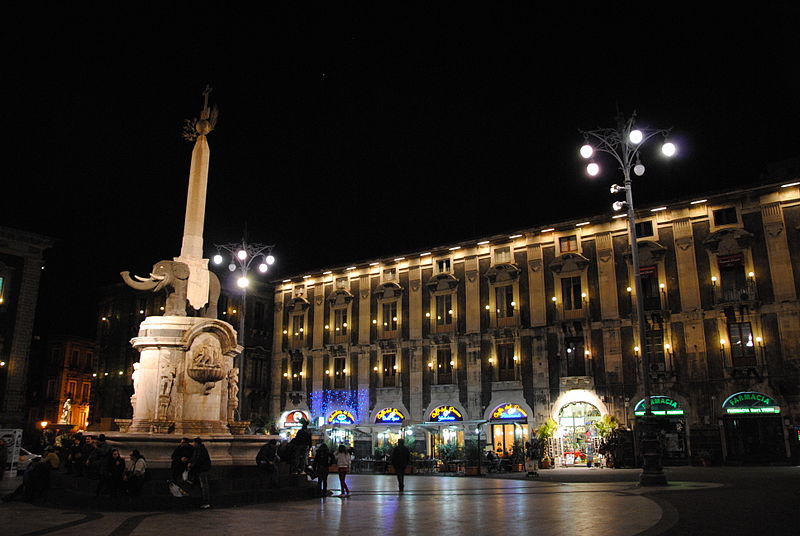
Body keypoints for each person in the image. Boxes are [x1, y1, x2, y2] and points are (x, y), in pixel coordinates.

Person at [188, 437, 212, 509]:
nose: (193, 444)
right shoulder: (199, 449)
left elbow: (198, 459)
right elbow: (195, 458)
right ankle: (201, 501)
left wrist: (191, 465)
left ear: (197, 443)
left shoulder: (200, 450)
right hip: (199, 470)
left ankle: (206, 502)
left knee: (204, 486)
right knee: (201, 485)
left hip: (202, 470)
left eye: (194, 443)